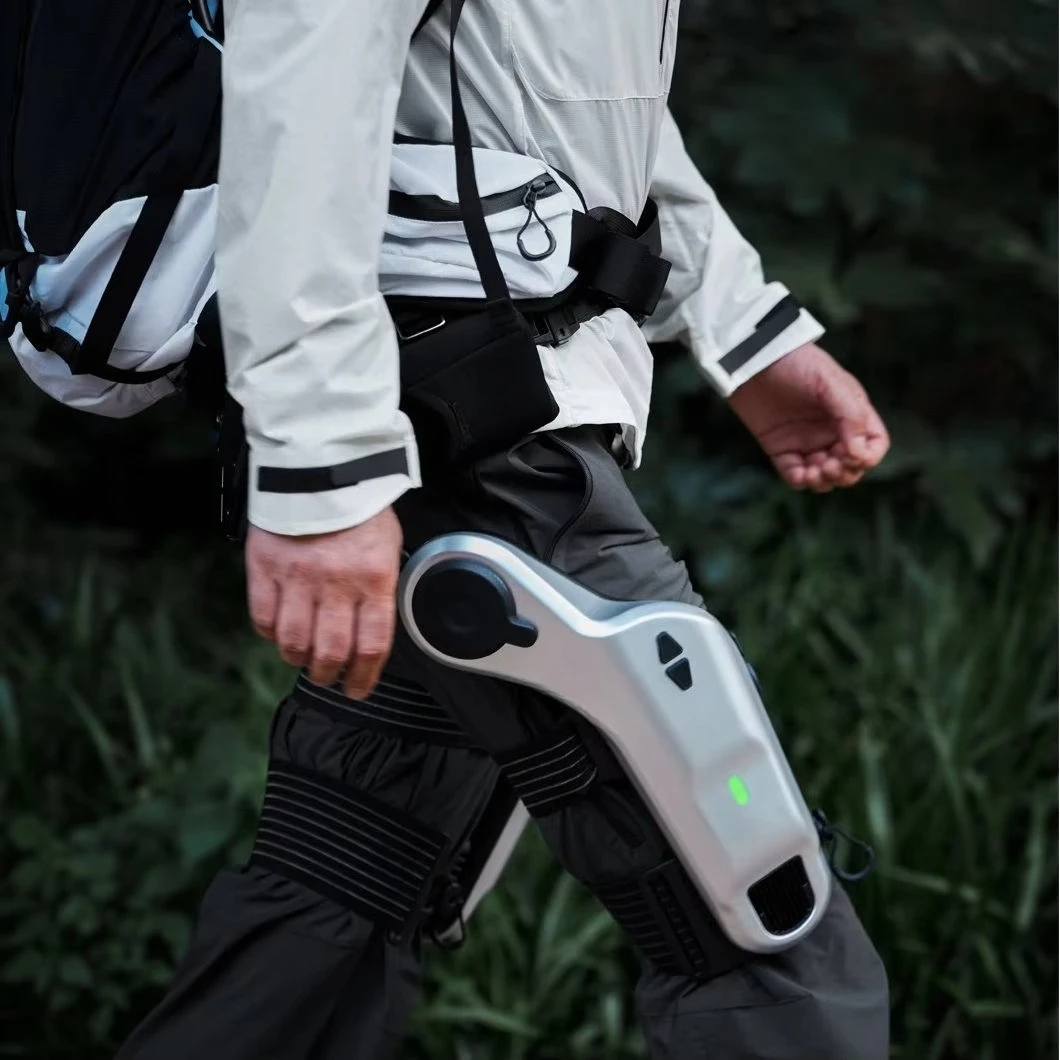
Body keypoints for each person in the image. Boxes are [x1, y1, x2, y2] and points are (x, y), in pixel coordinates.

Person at [118, 0, 892, 1057]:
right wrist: (321, 463)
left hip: (480, 406)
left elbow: (573, 91)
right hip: (454, 420)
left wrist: (741, 327)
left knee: (330, 908)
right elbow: (302, 88)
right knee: (762, 928)